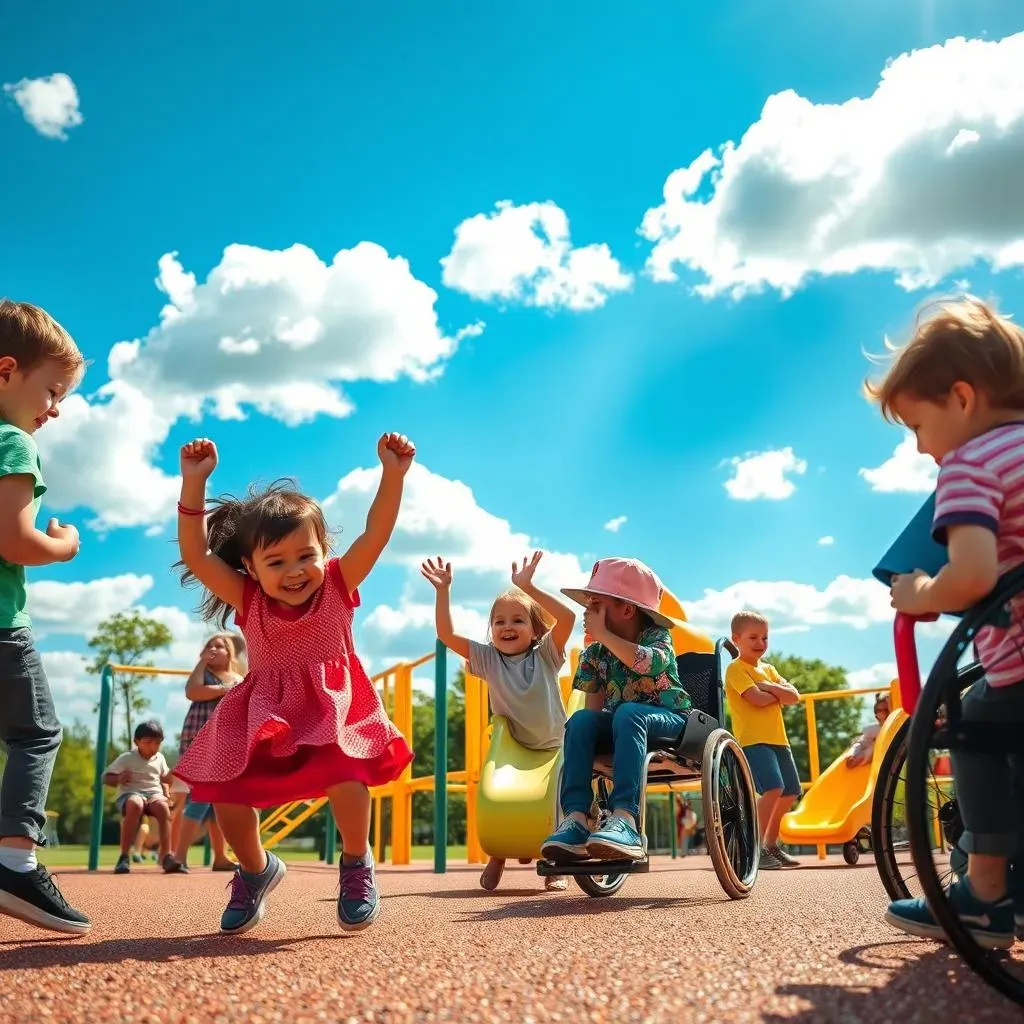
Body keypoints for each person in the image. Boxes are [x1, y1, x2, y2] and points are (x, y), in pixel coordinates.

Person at [171, 432, 416, 935]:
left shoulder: (339, 584)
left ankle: (355, 864)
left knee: (346, 771)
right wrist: (193, 485)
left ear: (323, 551)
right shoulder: (249, 600)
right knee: (227, 792)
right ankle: (257, 869)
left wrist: (393, 476)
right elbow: (197, 557)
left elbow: (377, 533)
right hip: (266, 711)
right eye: (276, 562)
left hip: (331, 706)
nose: (295, 571)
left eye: (305, 556)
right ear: (251, 571)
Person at [864, 295, 1024, 950]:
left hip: (1017, 669)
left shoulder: (970, 464)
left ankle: (985, 890)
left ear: (961, 398)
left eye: (916, 427)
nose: (922, 448)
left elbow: (976, 573)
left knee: (972, 723)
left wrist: (922, 593)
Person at [0, 299, 90, 936]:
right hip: (3, 626)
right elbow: (15, 541)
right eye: (51, 391)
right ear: (6, 371)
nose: (54, 409)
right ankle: (15, 860)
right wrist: (63, 543)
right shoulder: (14, 443)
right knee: (35, 735)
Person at [422, 549, 576, 892]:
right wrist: (443, 591)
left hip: (554, 744)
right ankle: (498, 856)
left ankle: (554, 865)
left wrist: (529, 587)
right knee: (498, 795)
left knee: (559, 798)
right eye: (499, 621)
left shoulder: (546, 655)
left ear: (535, 630)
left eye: (518, 620)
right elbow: (447, 636)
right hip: (513, 744)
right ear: (491, 630)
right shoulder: (488, 658)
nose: (507, 627)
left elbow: (566, 619)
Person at [540, 557, 691, 864]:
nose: (587, 611)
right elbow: (596, 716)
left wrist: (605, 635)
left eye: (595, 603)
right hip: (625, 725)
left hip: (670, 721)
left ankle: (626, 819)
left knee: (629, 713)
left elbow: (648, 663)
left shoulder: (656, 637)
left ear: (626, 608)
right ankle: (578, 819)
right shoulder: (594, 653)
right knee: (581, 720)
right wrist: (589, 739)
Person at [163, 632, 247, 873]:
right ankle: (178, 857)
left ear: (229, 652)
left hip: (228, 743)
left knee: (219, 802)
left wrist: (221, 689)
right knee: (200, 798)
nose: (213, 649)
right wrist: (204, 666)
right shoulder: (203, 674)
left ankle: (220, 856)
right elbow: (193, 691)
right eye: (209, 646)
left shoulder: (238, 678)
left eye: (219, 646)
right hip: (200, 742)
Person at [725, 611, 802, 870]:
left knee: (791, 791)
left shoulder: (768, 669)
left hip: (779, 740)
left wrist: (768, 687)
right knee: (773, 788)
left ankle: (771, 844)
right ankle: (753, 846)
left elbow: (795, 697)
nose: (760, 643)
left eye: (765, 637)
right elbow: (755, 700)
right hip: (754, 740)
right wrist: (778, 692)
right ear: (736, 639)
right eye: (753, 637)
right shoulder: (736, 669)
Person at [103, 721, 174, 874]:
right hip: (131, 793)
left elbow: (166, 779)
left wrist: (167, 791)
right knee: (135, 804)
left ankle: (167, 856)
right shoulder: (127, 758)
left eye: (157, 743)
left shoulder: (160, 758)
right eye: (148, 742)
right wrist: (119, 777)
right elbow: (106, 778)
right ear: (136, 742)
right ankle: (124, 857)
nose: (153, 747)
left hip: (153, 793)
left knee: (163, 807)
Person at [845, 693, 890, 769]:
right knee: (860, 745)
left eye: (887, 710)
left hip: (884, 753)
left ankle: (861, 758)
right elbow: (863, 742)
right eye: (881, 711)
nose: (885, 713)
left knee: (873, 747)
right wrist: (853, 752)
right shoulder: (874, 729)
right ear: (876, 716)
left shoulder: (894, 727)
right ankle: (853, 757)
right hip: (873, 756)